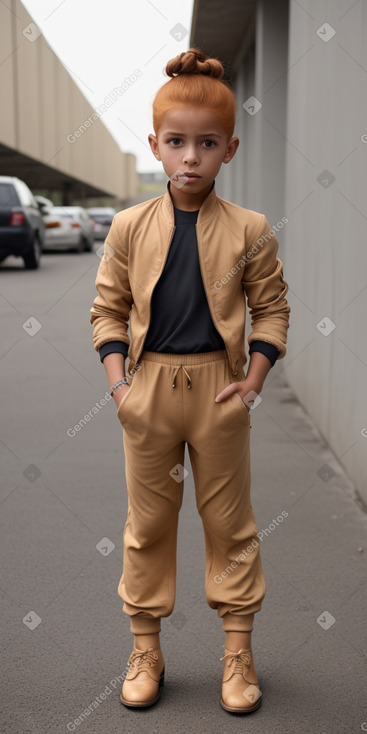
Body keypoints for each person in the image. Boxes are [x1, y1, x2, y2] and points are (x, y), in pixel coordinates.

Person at [90, 47, 290, 714]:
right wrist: (121, 390)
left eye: (206, 144)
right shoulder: (127, 227)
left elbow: (271, 306)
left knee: (230, 526)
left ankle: (237, 655)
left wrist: (252, 381)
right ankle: (145, 649)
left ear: (228, 148)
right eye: (176, 142)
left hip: (220, 391)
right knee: (146, 527)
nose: (189, 158)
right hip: (147, 393)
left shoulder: (249, 229)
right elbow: (108, 309)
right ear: (154, 143)